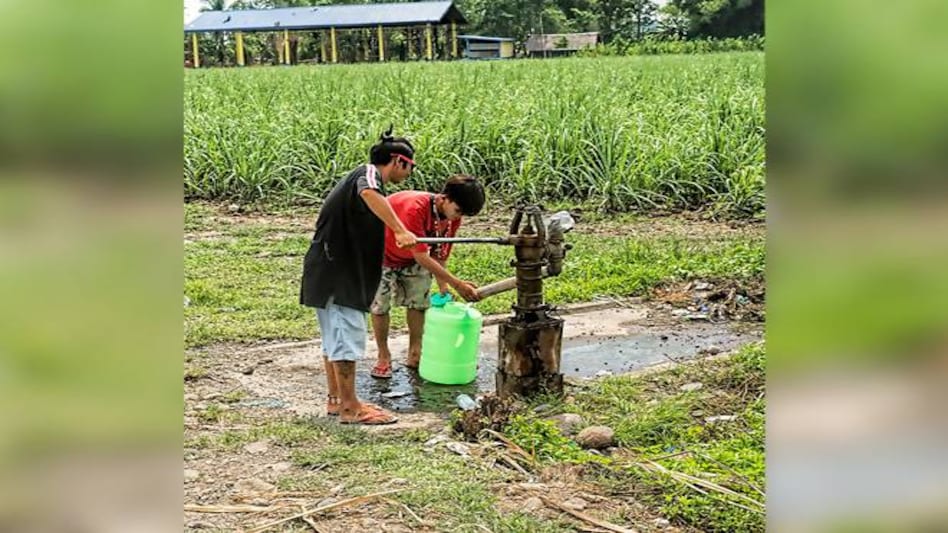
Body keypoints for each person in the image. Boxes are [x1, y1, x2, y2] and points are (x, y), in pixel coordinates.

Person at [300, 128, 418, 425]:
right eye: (410, 166)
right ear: (397, 161)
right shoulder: (368, 175)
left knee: (334, 338)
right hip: (338, 272)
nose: (410, 173)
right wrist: (401, 229)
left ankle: (337, 400)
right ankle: (351, 409)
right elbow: (369, 193)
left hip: (330, 269)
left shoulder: (364, 180)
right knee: (345, 338)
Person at [369, 175, 486, 379]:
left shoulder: (452, 219)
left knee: (419, 303)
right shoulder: (415, 208)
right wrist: (457, 284)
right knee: (381, 306)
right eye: (458, 210)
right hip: (380, 253)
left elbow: (440, 253)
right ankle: (383, 355)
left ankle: (416, 352)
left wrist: (444, 287)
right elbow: (422, 256)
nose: (457, 217)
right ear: (444, 198)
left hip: (412, 258)